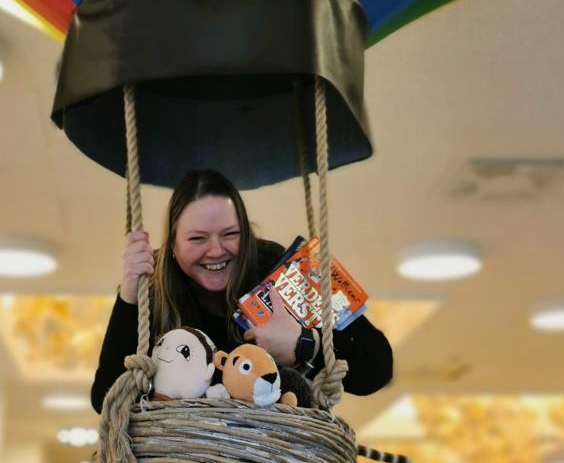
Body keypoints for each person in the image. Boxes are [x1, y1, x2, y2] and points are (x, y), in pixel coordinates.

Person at [91, 169, 393, 413]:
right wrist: (128, 297)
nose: (215, 251)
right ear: (171, 244)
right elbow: (105, 400)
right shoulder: (153, 290)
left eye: (231, 234)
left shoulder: (280, 268)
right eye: (197, 239)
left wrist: (304, 343)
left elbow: (377, 370)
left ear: (247, 234)